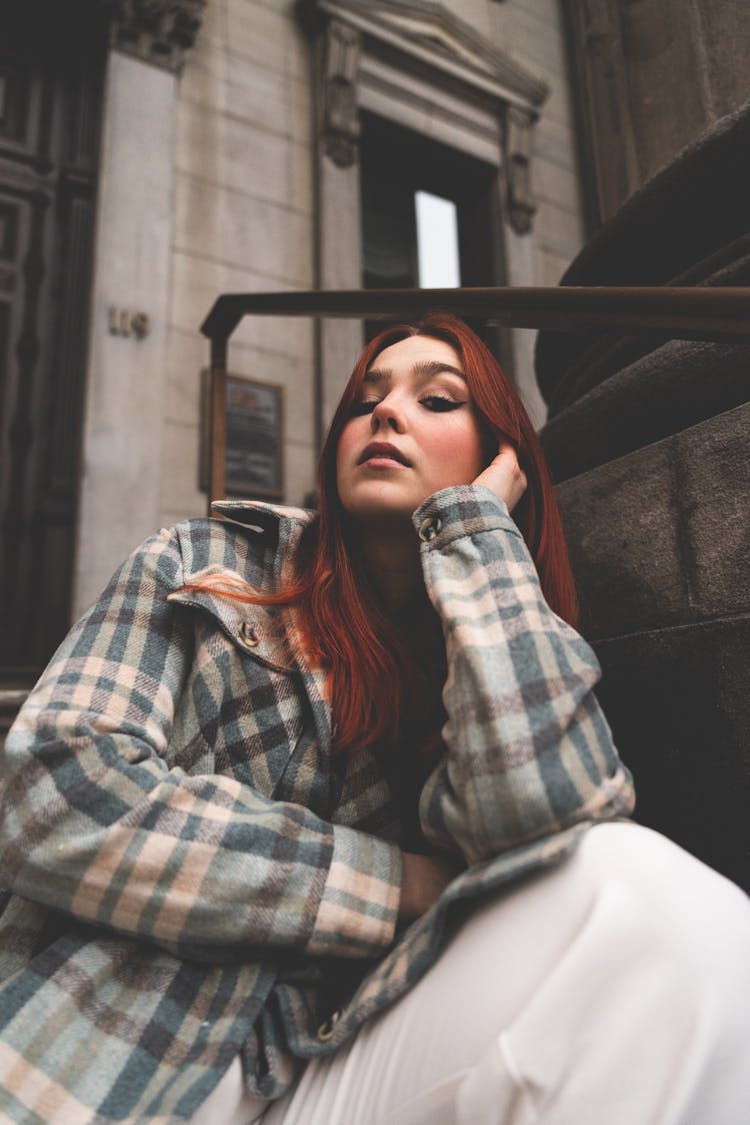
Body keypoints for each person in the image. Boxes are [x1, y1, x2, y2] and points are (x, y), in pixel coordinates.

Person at [0, 315, 748, 1125]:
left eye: (436, 398)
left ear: (503, 459)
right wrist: (399, 885)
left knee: (666, 909)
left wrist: (475, 536)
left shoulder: (499, 628)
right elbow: (55, 789)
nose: (386, 413)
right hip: (112, 1062)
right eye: (367, 397)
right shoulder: (205, 563)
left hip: (332, 1066)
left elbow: (551, 819)